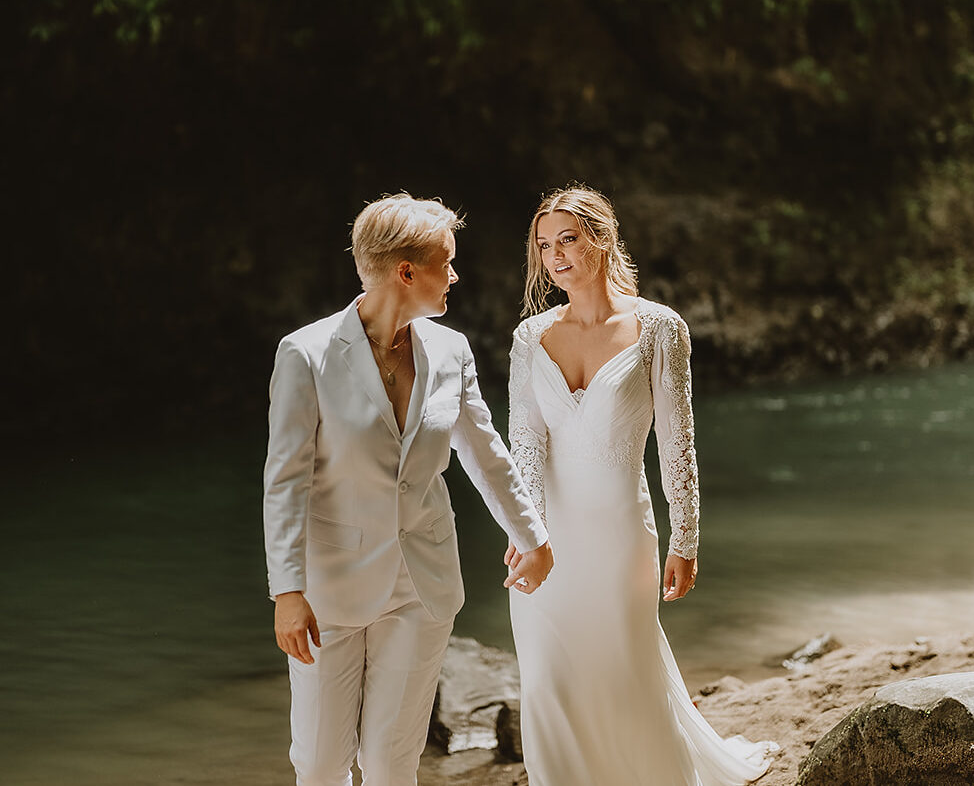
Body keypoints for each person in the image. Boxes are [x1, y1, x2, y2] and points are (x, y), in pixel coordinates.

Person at [263, 193, 554, 786]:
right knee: (319, 762)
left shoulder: (451, 350)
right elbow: (284, 479)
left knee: (393, 759)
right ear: (406, 272)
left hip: (421, 581)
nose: (455, 275)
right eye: (446, 263)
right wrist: (287, 591)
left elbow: (483, 450)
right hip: (329, 590)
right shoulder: (306, 354)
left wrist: (531, 535)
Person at [506, 186, 777, 785]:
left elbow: (677, 445)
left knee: (624, 670)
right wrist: (521, 528)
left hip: (621, 536)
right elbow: (523, 444)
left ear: (601, 239)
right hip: (546, 540)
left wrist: (686, 540)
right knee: (549, 677)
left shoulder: (660, 328)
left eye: (568, 240)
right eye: (544, 246)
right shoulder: (530, 338)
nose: (555, 257)